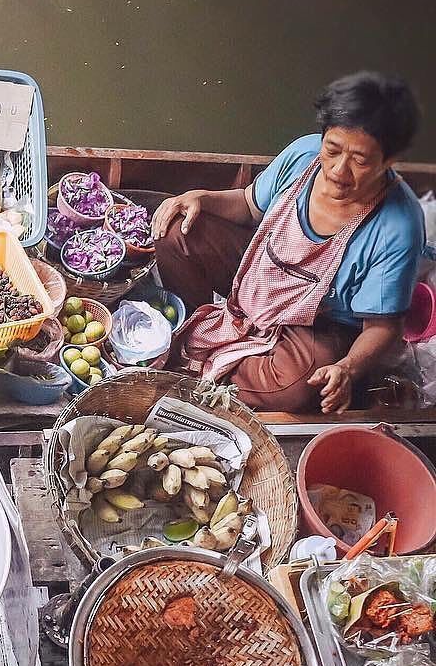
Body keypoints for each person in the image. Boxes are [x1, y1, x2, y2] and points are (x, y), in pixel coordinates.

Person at [154, 72, 425, 412]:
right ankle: (200, 324)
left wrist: (347, 368)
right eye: (332, 150)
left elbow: (382, 327)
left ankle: (219, 364)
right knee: (178, 230)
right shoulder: (302, 154)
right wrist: (202, 197)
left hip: (317, 321)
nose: (339, 171)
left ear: (388, 161)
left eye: (359, 161)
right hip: (259, 272)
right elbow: (250, 206)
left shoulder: (398, 225)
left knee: (295, 388)